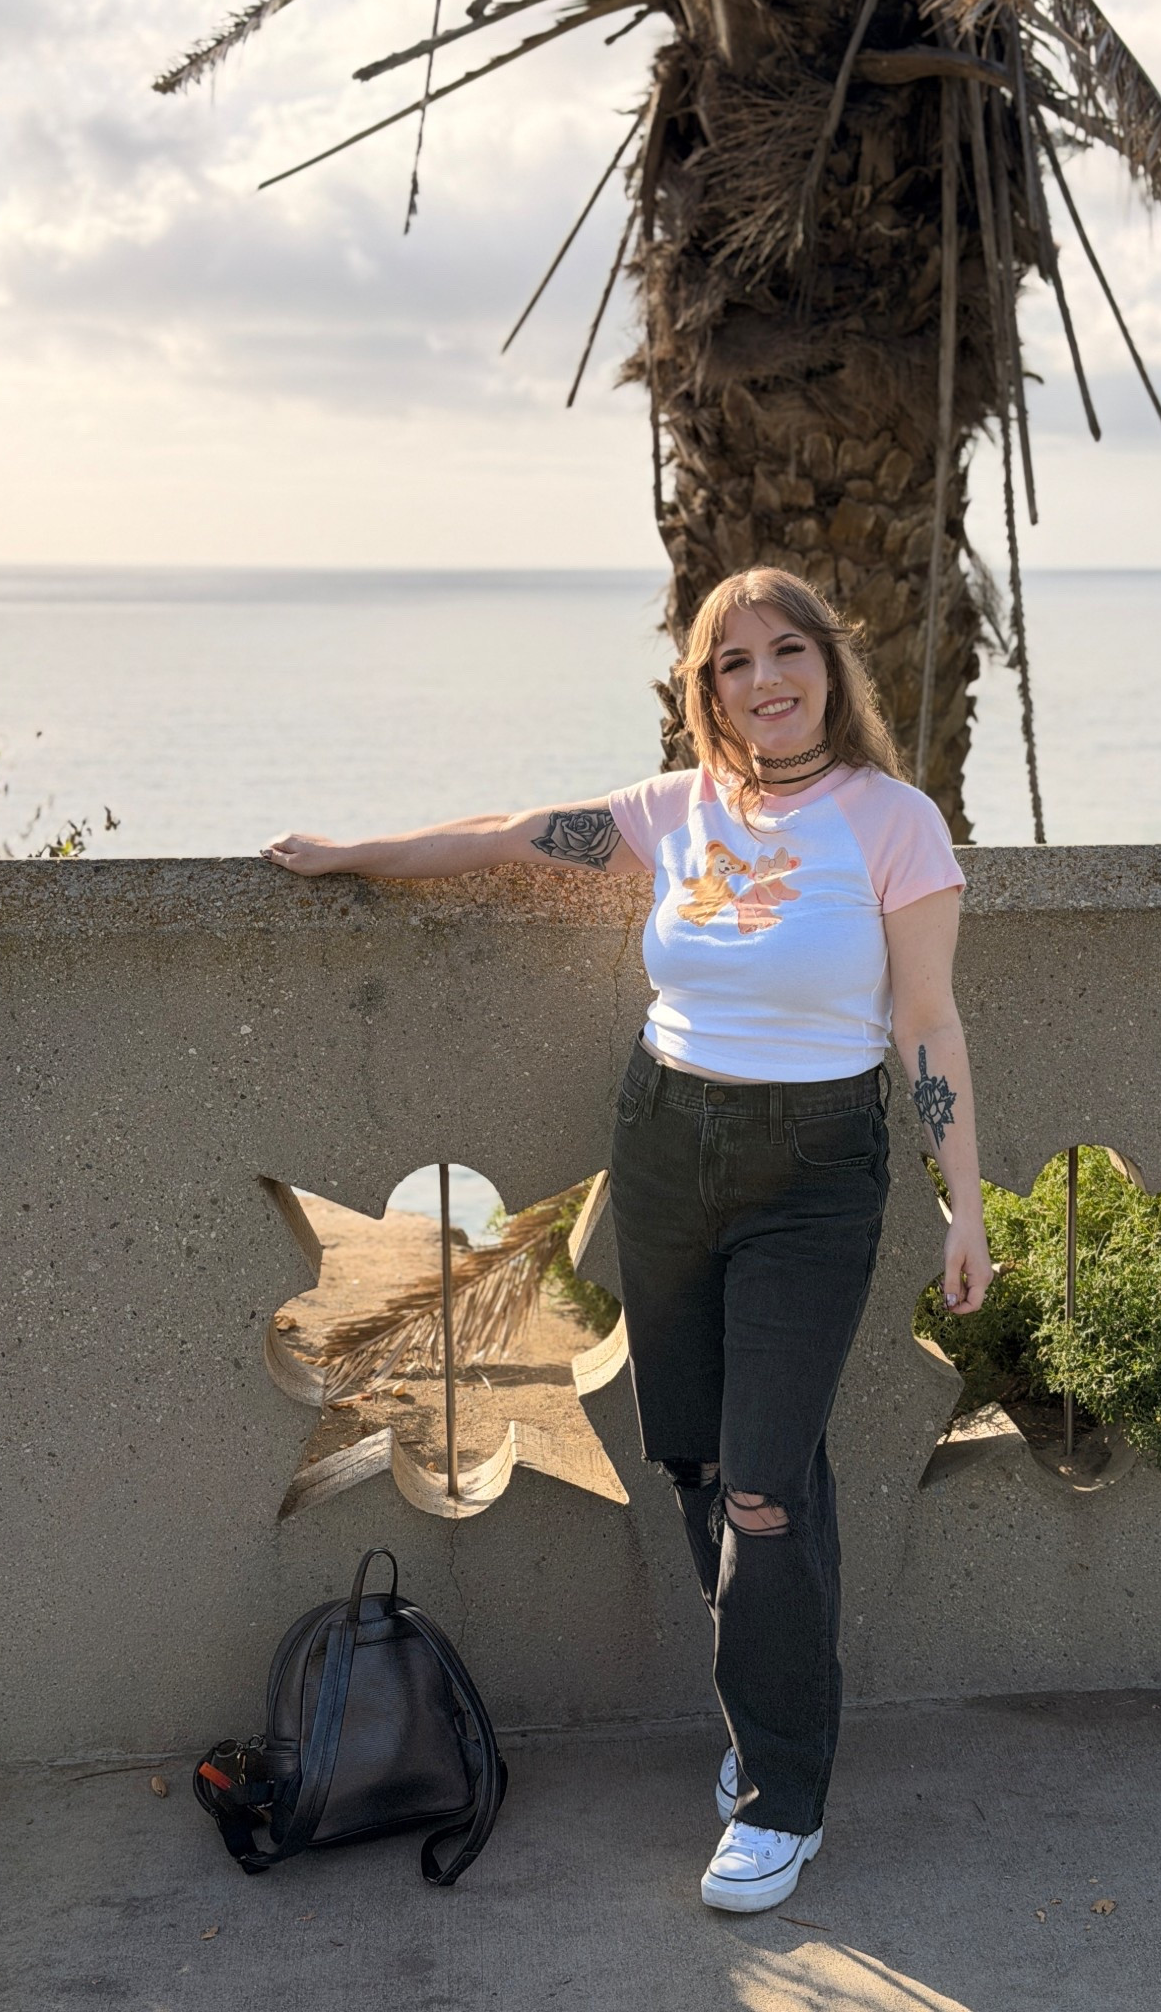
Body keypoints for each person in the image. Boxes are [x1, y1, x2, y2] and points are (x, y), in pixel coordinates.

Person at [261, 566, 992, 1912]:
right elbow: (503, 832)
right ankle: (780, 1718)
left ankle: (781, 1797)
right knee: (701, 1460)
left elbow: (929, 1021)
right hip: (663, 1149)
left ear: (828, 665)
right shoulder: (675, 813)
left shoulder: (893, 823)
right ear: (704, 690)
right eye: (733, 663)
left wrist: (966, 1202)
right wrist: (354, 851)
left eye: (786, 651)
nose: (764, 680)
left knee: (768, 1487)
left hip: (814, 1171)